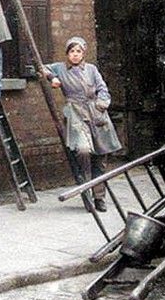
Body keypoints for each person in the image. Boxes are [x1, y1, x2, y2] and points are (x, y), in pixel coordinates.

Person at [42, 37, 122, 212]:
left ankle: (99, 198)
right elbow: (40, 68)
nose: (75, 55)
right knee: (84, 151)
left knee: (100, 158)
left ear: (83, 53)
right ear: (67, 54)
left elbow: (103, 89)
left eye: (79, 51)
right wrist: (52, 77)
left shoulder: (92, 69)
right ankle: (86, 193)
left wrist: (102, 103)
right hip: (75, 114)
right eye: (72, 51)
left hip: (97, 114)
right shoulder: (61, 68)